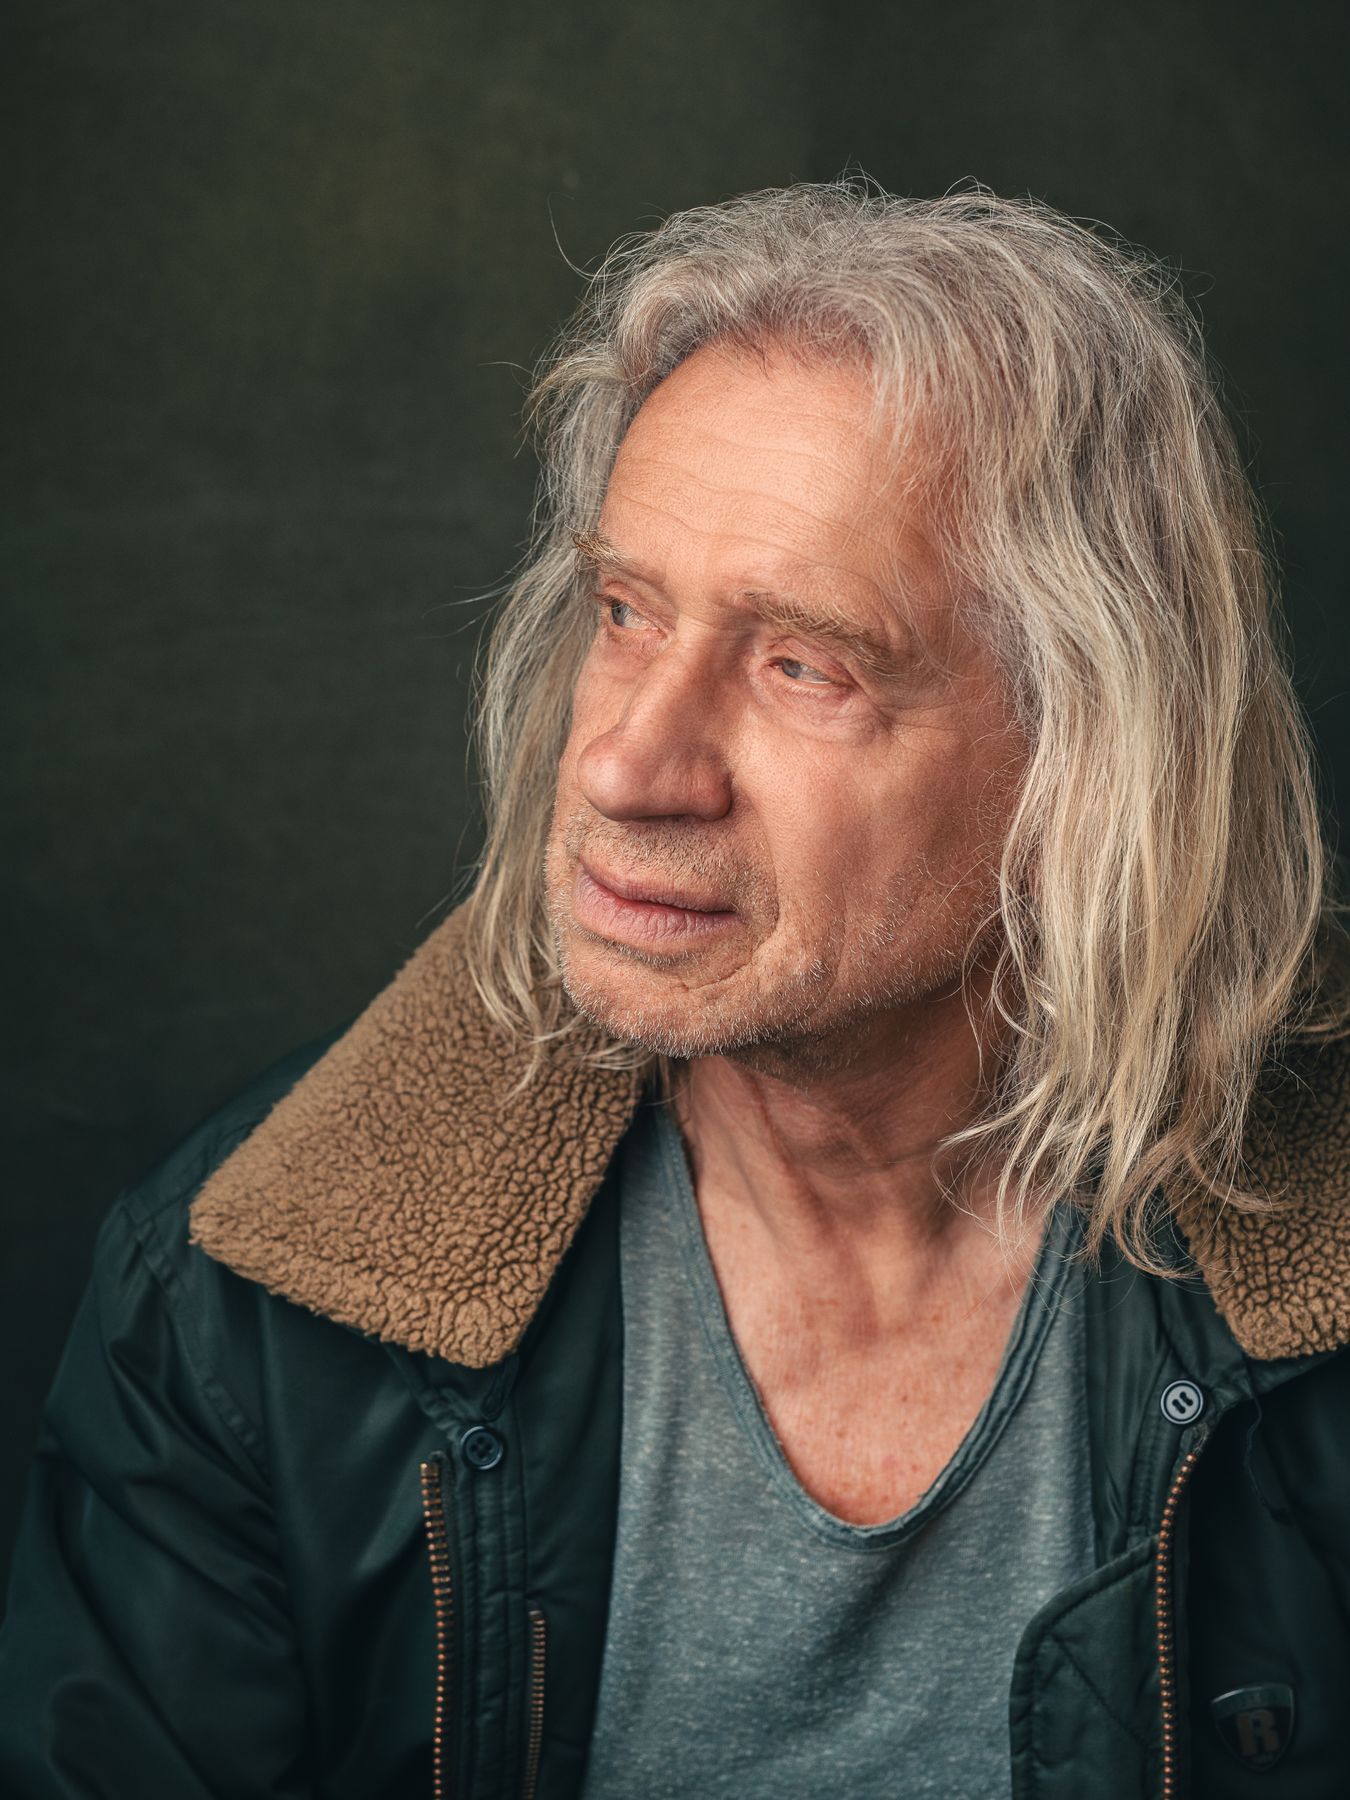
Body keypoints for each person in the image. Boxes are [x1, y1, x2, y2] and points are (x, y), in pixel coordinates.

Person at [2, 179, 1348, 1800]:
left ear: (1096, 755)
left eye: (804, 665)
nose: (628, 766)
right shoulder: (241, 1306)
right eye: (626, 613)